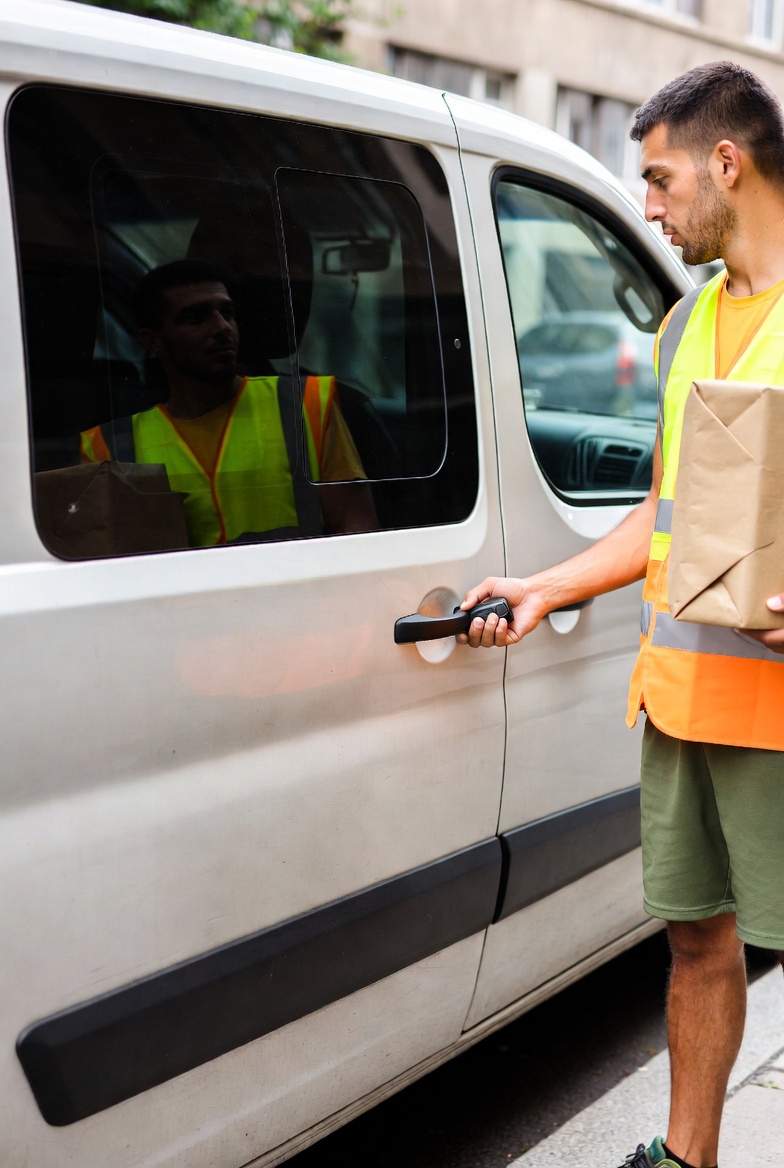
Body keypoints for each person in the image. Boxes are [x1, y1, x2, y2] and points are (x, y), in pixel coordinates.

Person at [459, 62, 784, 1168]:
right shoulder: (686, 323)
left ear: (725, 165)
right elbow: (664, 508)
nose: (646, 206)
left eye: (656, 179)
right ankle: (685, 1158)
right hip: (684, 699)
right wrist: (549, 584)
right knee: (696, 942)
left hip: (780, 720)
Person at [81, 259, 376, 547]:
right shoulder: (106, 448)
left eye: (227, 312)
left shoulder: (308, 404)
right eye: (196, 317)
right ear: (151, 342)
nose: (222, 327)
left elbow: (356, 529)